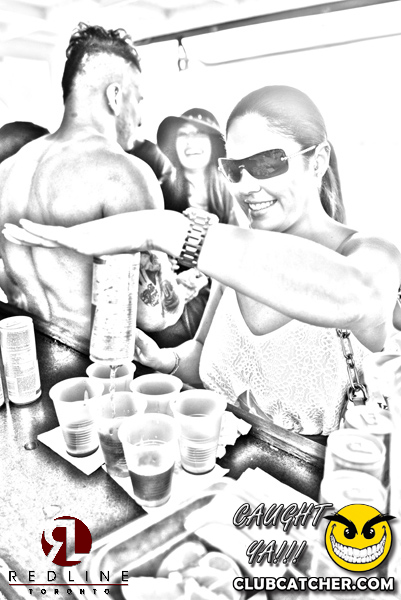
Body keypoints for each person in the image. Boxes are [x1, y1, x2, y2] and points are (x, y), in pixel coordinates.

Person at [5, 85, 401, 437]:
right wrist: (164, 359)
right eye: (235, 169)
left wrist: (165, 230)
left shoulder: (371, 253)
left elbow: (358, 296)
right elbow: (202, 354)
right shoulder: (234, 261)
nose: (247, 186)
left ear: (317, 160)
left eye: (267, 163)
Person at [0, 23, 188, 353]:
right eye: (138, 99)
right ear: (115, 96)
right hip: (98, 369)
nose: (140, 118)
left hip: (33, 358)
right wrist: (181, 289)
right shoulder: (124, 172)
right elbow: (154, 314)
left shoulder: (7, 170)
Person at [157, 107, 247, 226]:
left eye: (200, 133)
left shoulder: (235, 194)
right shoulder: (159, 192)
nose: (190, 140)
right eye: (183, 134)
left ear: (213, 144)